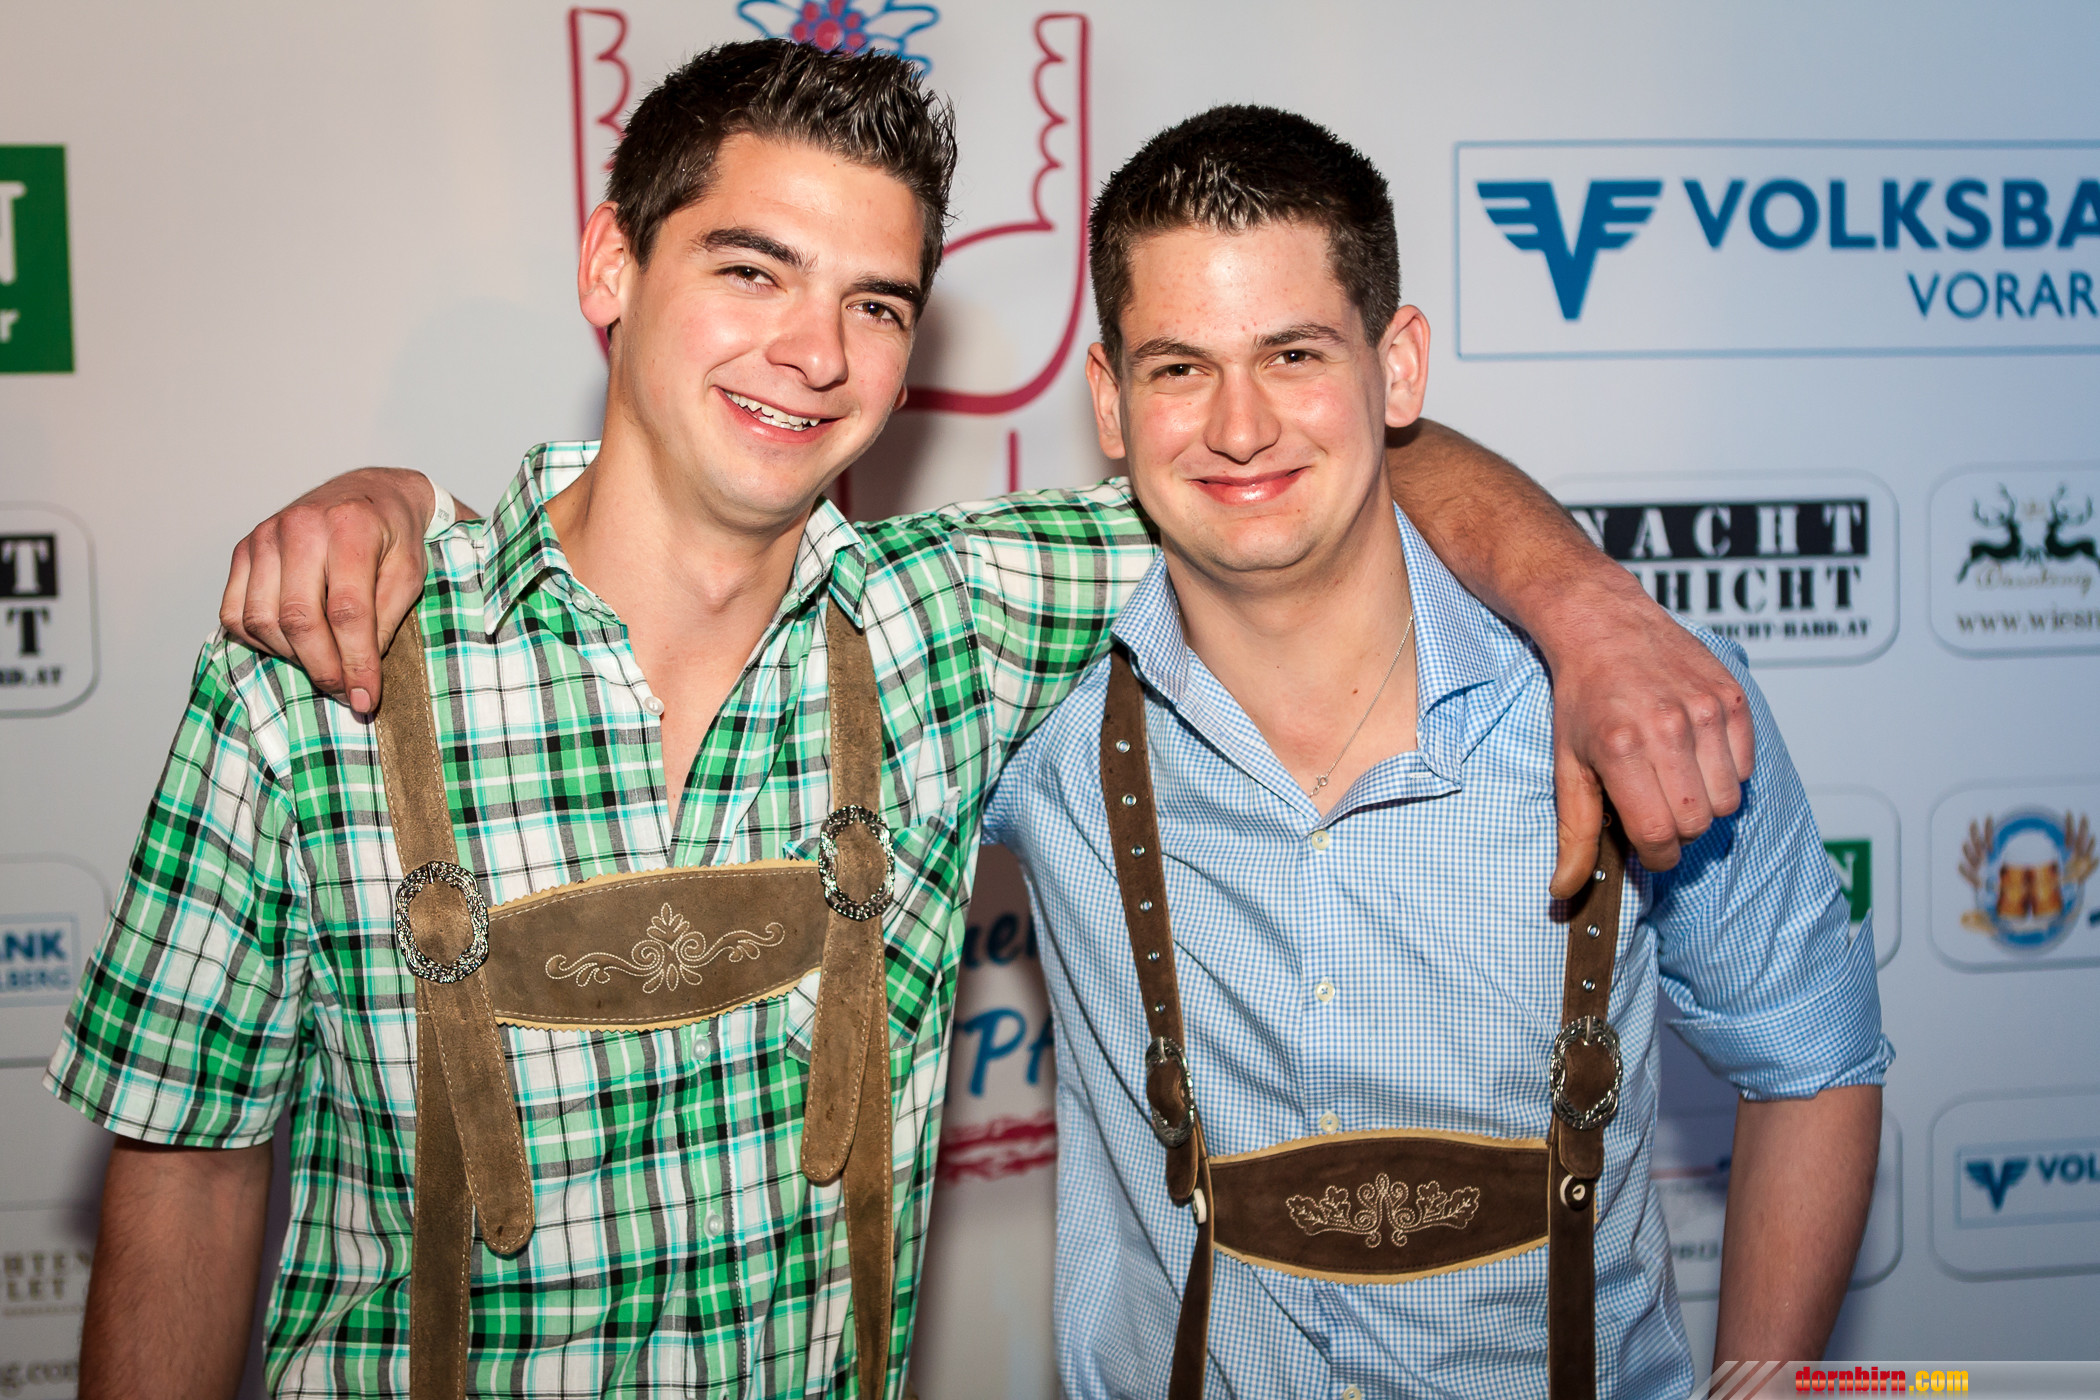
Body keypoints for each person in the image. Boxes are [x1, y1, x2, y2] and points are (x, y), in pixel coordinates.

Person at [61, 43, 1751, 1400]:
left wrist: (1589, 614)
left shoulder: (952, 620)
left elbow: (1315, 458)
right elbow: (185, 1181)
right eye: (753, 270)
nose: (814, 353)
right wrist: (391, 499)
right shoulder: (315, 673)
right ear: (610, 265)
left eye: (874, 304)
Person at [979, 108, 1888, 1398]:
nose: (1239, 426)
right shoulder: (1030, 707)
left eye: (1295, 354)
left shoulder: (1632, 699)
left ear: (1396, 368)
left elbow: (1813, 1061)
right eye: (1179, 367)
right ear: (1109, 402)